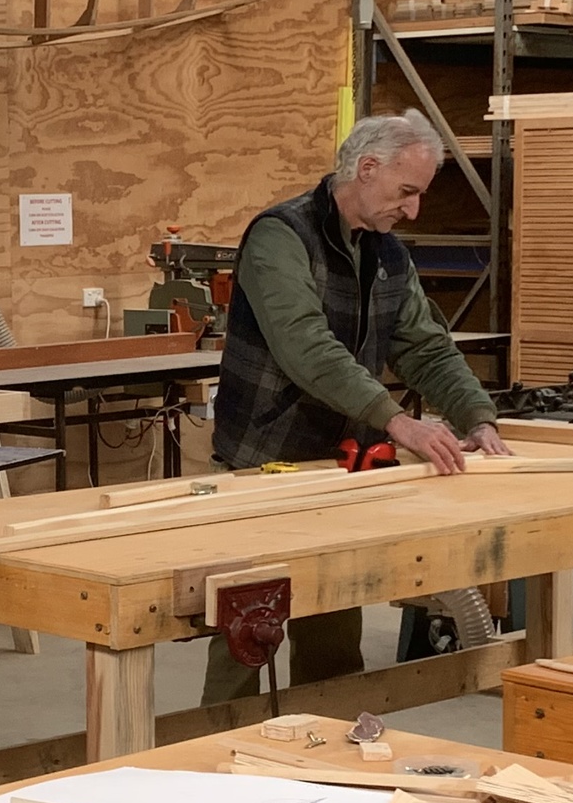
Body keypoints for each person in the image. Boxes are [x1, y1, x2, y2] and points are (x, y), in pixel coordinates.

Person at [202, 108, 509, 704]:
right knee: (246, 632)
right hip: (263, 464)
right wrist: (398, 421)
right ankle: (216, 746)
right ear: (367, 168)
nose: (413, 211)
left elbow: (425, 346)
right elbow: (306, 348)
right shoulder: (281, 236)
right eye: (406, 192)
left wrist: (478, 417)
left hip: (340, 468)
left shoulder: (387, 253)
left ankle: (327, 739)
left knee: (334, 632)